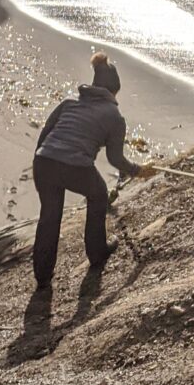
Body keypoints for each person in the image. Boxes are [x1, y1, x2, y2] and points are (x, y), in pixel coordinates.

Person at [31, 51, 152, 287]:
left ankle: (42, 277)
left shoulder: (69, 103)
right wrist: (139, 171)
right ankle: (97, 254)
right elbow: (115, 159)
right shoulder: (114, 116)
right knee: (98, 195)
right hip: (74, 165)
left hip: (44, 161)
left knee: (49, 216)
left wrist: (42, 160)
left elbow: (44, 136)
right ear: (114, 91)